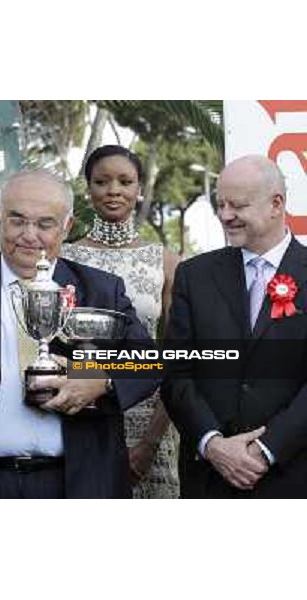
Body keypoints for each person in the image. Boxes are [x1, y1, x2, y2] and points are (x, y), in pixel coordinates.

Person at [0, 169, 158, 498]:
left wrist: (99, 379)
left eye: (44, 224)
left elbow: (150, 361)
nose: (29, 235)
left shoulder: (100, 289)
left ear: (66, 226)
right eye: (17, 220)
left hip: (75, 484)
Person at [162, 154, 307, 498]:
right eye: (220, 204)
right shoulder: (193, 275)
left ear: (276, 204)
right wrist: (212, 444)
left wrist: (266, 450)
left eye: (237, 205)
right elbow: (175, 372)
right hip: (209, 479)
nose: (225, 215)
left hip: (294, 476)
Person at [61, 145, 180, 498]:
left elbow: (176, 356)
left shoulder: (166, 262)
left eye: (125, 181)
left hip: (150, 418)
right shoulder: (63, 258)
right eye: (102, 181)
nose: (114, 190)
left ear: (139, 188)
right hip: (82, 412)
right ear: (88, 188)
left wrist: (151, 442)